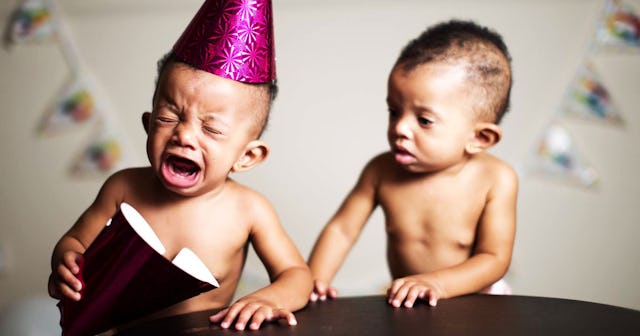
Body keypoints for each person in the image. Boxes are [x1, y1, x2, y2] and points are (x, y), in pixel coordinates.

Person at [48, 0, 312, 332]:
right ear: (148, 124)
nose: (183, 134)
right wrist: (65, 260)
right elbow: (75, 241)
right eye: (168, 116)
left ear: (246, 156)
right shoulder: (123, 188)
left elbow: (298, 276)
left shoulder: (249, 210)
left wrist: (270, 299)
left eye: (212, 129)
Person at [308, 19, 517, 308]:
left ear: (480, 137)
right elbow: (342, 229)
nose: (400, 128)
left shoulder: (495, 179)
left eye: (424, 120)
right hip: (411, 302)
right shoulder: (381, 170)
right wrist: (314, 281)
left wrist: (437, 283)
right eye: (394, 111)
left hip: (477, 305)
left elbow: (494, 258)